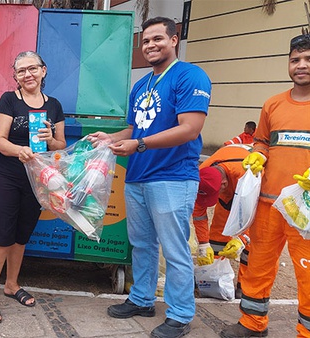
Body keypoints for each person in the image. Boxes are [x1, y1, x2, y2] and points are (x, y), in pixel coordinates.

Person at [88, 17, 211, 338]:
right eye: (145, 41)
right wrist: (110, 139)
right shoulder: (142, 85)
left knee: (174, 249)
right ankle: (142, 299)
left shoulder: (190, 76)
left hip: (173, 177)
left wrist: (138, 144)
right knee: (141, 244)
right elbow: (135, 129)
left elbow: (190, 128)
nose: (151, 45)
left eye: (158, 38)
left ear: (174, 39)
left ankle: (181, 314)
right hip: (138, 176)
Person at [220, 34, 310, 338]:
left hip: (306, 211)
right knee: (257, 266)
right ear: (288, 63)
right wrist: (257, 156)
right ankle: (252, 323)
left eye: (308, 59)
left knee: (309, 275)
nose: (301, 65)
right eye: (295, 59)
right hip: (268, 205)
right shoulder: (272, 104)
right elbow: (261, 142)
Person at [0, 51, 66, 324]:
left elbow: (61, 145)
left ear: (43, 70)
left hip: (37, 178)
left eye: (32, 69)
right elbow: (0, 141)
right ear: (15, 77)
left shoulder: (54, 105)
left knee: (21, 234)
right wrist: (21, 150)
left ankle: (12, 284)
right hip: (8, 175)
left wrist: (50, 140)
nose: (27, 75)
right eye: (21, 71)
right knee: (0, 235)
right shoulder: (9, 100)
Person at [193, 144, 252, 299]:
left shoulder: (247, 175)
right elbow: (198, 213)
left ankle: (245, 286)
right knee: (218, 237)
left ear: (224, 185)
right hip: (229, 191)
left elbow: (256, 213)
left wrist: (242, 238)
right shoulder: (202, 176)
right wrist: (203, 243)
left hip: (250, 195)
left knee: (254, 245)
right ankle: (214, 278)